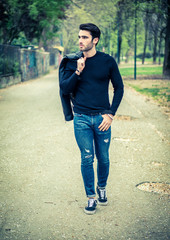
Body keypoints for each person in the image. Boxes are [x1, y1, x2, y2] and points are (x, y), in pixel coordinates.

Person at [59, 23, 124, 215]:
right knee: (87, 158)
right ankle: (91, 197)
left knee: (103, 158)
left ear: (95, 40)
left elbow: (119, 88)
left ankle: (101, 186)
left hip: (102, 119)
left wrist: (111, 114)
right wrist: (78, 71)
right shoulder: (72, 62)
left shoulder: (107, 61)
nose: (80, 40)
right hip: (81, 119)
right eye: (79, 37)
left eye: (85, 37)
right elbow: (65, 89)